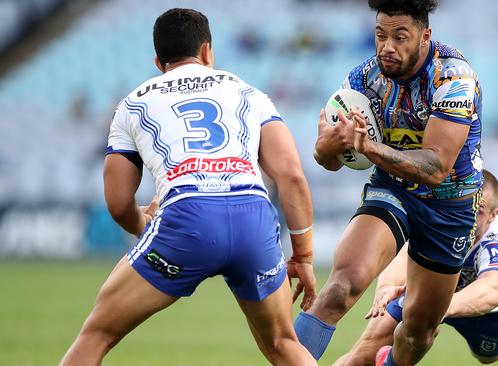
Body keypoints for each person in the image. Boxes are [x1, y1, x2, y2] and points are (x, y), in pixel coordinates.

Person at [59, 8, 317, 366]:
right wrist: (303, 256)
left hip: (186, 217)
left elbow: (118, 202)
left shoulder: (133, 103)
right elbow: (291, 175)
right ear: (207, 51)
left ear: (157, 60)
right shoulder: (249, 93)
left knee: (97, 334)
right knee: (282, 344)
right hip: (252, 217)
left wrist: (141, 224)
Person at [295, 0, 484, 364]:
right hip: (393, 190)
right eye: (380, 35)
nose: (387, 47)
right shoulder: (362, 80)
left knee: (419, 331)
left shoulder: (453, 77)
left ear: (425, 36)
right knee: (341, 286)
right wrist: (326, 148)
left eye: (400, 37)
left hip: (450, 206)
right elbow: (331, 162)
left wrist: (369, 146)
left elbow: (436, 167)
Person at [333, 170, 498, 365]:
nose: (469, 217)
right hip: (433, 295)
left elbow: (492, 290)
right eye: (467, 206)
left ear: (494, 215)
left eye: (480, 211)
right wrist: (387, 288)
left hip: (489, 315)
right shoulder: (444, 215)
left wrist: (435, 308)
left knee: (491, 355)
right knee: (362, 355)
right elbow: (408, 251)